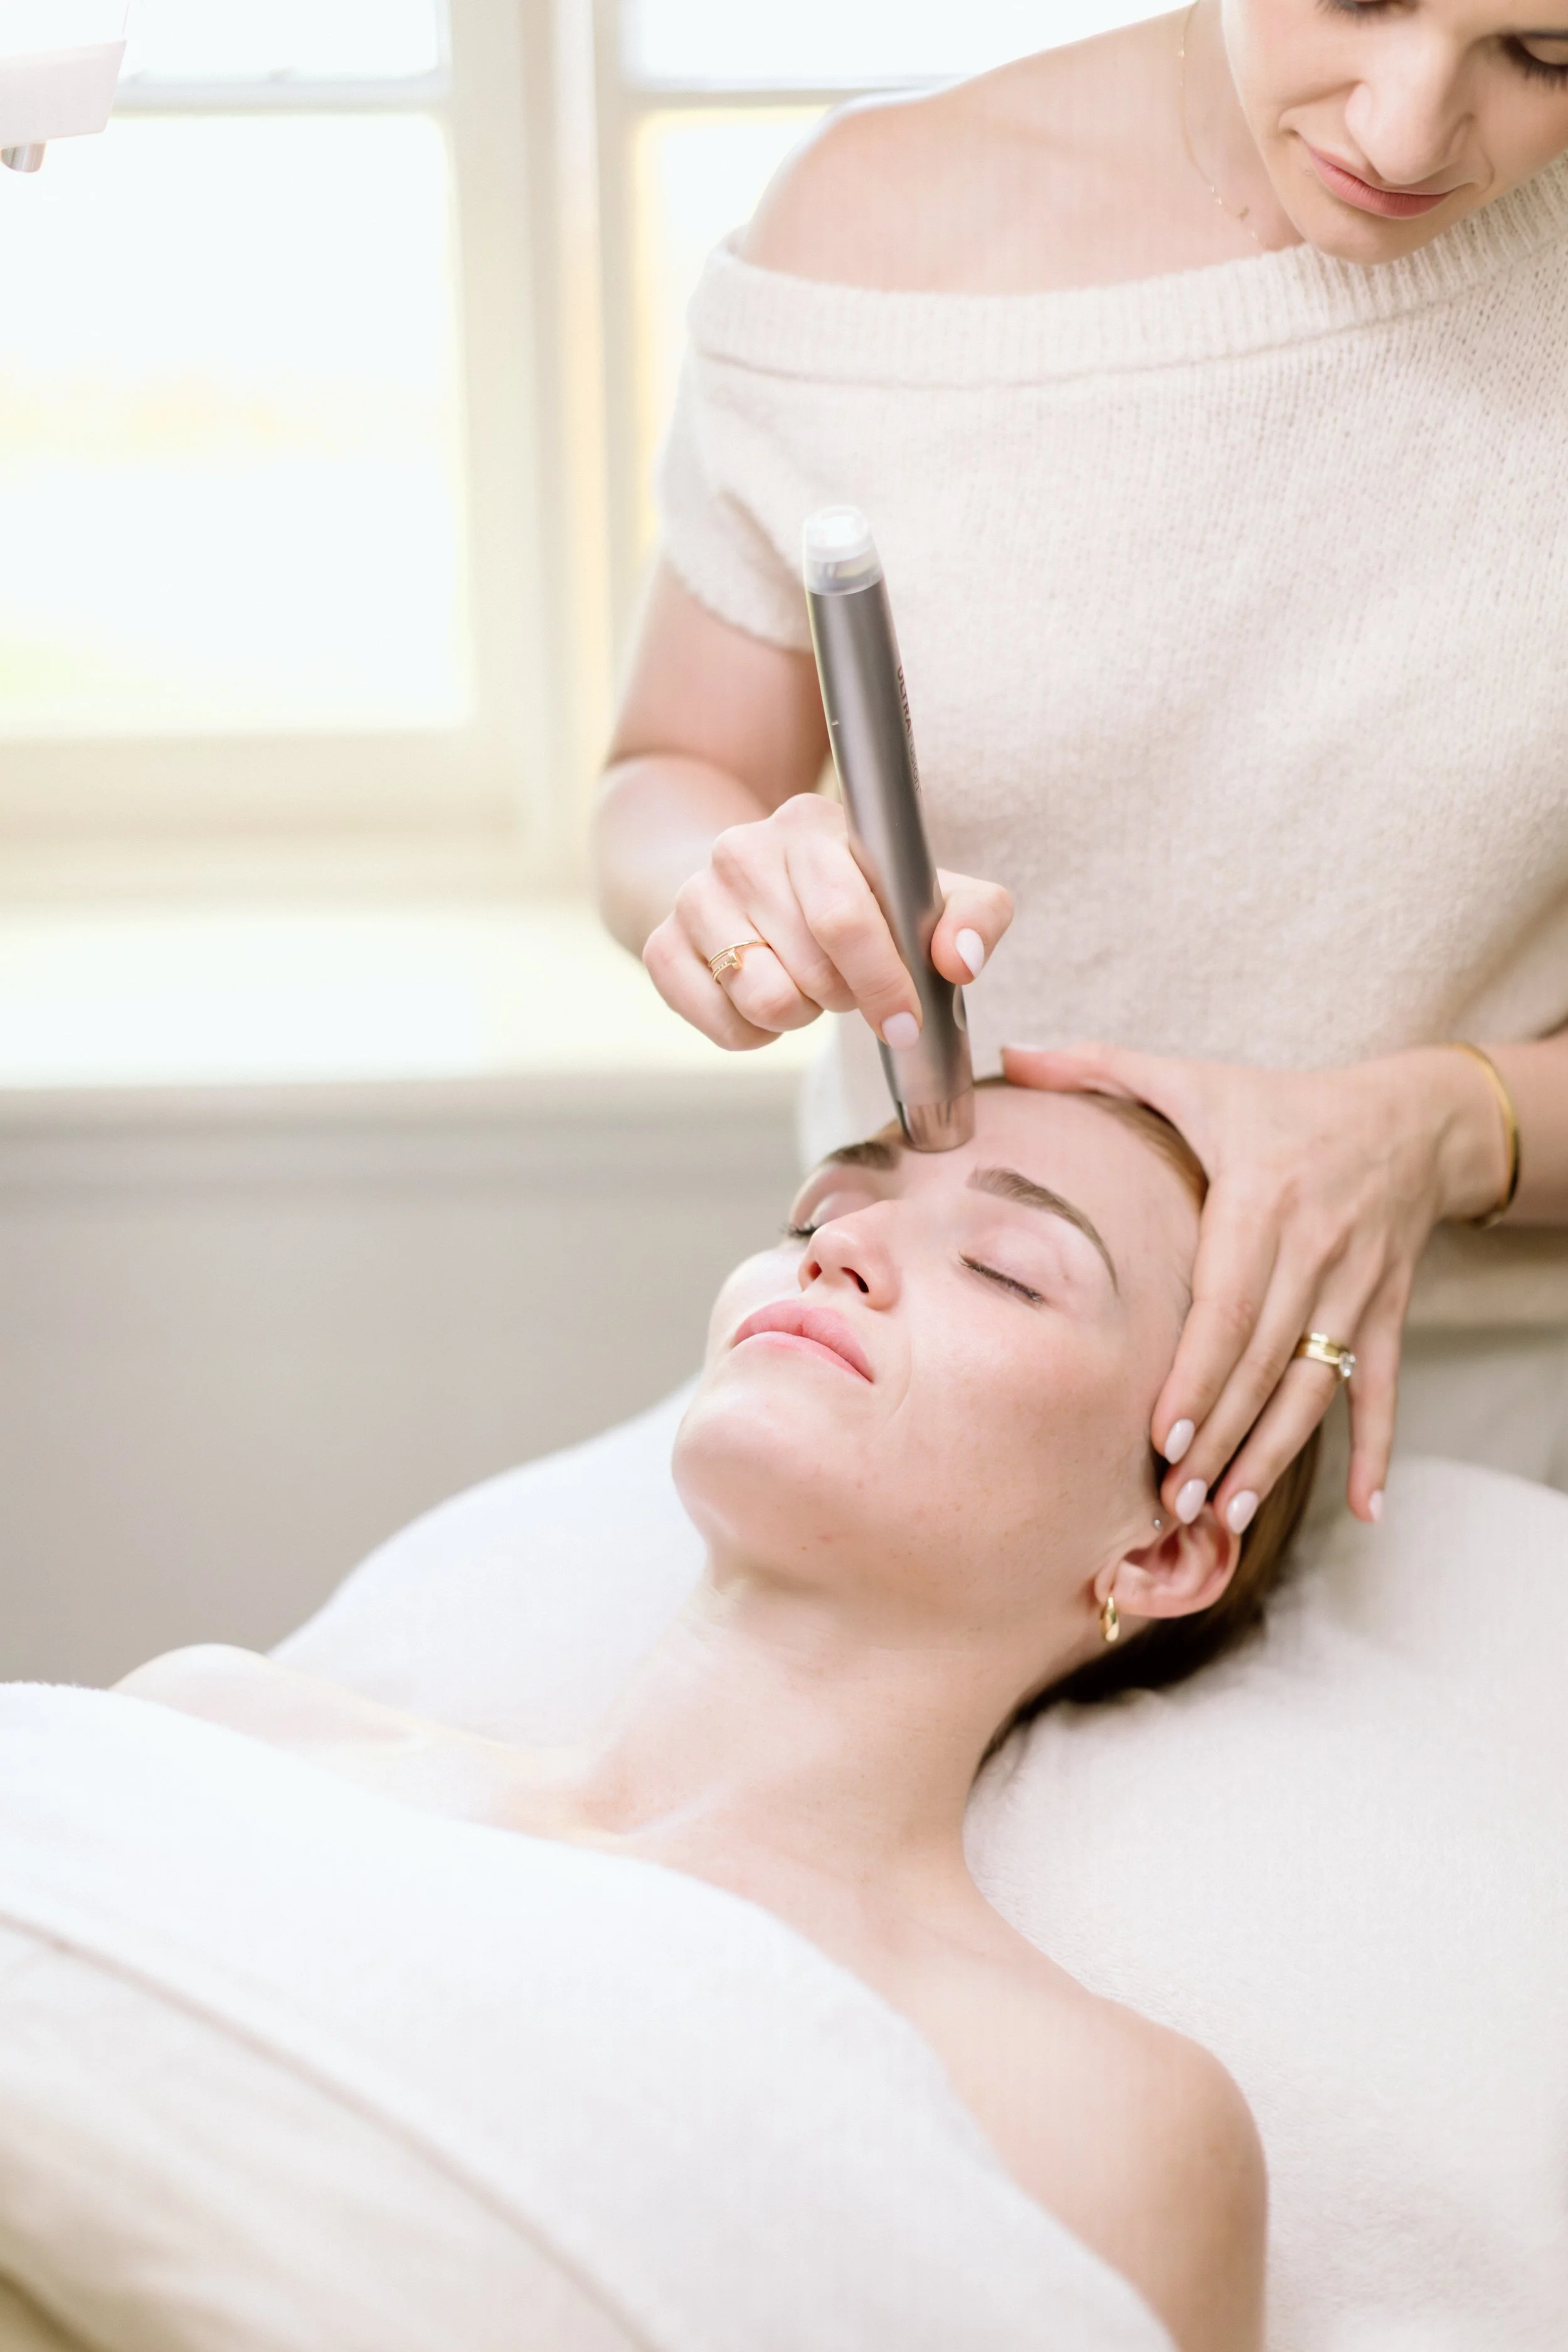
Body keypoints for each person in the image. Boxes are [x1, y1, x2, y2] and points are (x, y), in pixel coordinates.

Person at [121, 1081, 1318, 2352]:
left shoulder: (1105, 2123)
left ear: (1161, 1550)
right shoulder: (221, 1740)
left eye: (1005, 1269)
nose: (841, 1246)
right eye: (822, 1209)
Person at [593, 0, 1568, 1549]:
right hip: (949, 1428)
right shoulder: (864, 235)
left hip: (1497, 1426)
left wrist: (1448, 1127)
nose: (1400, 131)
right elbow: (671, 770)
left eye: (1545, 55)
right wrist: (731, 894)